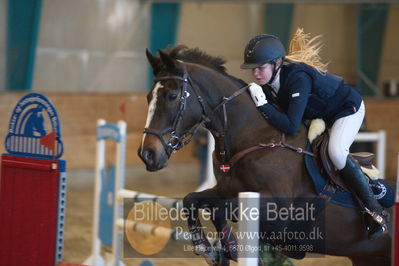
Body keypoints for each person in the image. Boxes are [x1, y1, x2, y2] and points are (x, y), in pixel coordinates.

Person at [241, 28, 388, 240]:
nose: (255, 74)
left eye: (260, 68)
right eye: (252, 69)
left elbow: (290, 126)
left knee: (336, 152)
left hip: (346, 109)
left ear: (277, 63)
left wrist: (262, 105)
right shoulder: (267, 84)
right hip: (320, 114)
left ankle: (375, 212)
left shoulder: (298, 77)